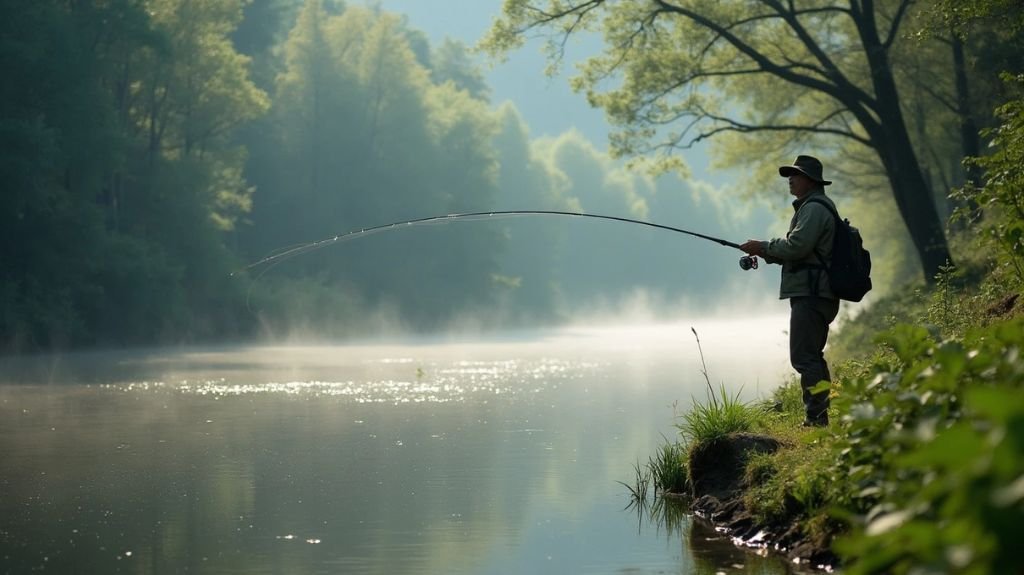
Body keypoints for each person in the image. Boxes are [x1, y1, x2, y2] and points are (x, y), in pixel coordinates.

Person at [740, 155, 840, 427]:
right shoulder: (811, 207)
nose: (790, 180)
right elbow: (801, 251)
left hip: (812, 293)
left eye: (795, 175)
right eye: (789, 175)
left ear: (811, 180)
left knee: (804, 357)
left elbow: (797, 247)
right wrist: (765, 251)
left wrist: (763, 246)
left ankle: (816, 419)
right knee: (811, 356)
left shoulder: (814, 209)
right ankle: (819, 417)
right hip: (816, 292)